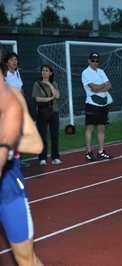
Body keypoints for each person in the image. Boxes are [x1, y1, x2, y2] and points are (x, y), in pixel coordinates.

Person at [0, 77, 44, 265]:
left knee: (26, 260)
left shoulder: (12, 96)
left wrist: (7, 140)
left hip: (8, 187)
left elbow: (36, 144)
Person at [81, 52, 114, 162]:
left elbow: (109, 85)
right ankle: (89, 152)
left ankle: (101, 151)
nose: (95, 63)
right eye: (93, 60)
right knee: (90, 127)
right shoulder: (85, 73)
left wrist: (98, 88)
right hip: (92, 103)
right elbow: (93, 87)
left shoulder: (101, 71)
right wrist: (101, 86)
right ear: (89, 61)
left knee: (102, 127)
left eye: (97, 61)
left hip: (103, 103)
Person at [3, 52, 31, 169]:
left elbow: (21, 90)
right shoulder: (5, 76)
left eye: (16, 59)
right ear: (6, 63)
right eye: (11, 60)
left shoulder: (17, 73)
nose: (14, 62)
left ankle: (17, 160)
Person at [32, 63, 62, 166]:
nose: (44, 72)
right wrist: (49, 98)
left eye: (46, 71)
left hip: (53, 111)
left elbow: (57, 95)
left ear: (50, 73)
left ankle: (55, 157)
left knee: (54, 135)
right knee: (42, 136)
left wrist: (49, 85)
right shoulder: (37, 84)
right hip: (42, 112)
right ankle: (42, 158)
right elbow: (37, 99)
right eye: (43, 70)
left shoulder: (54, 83)